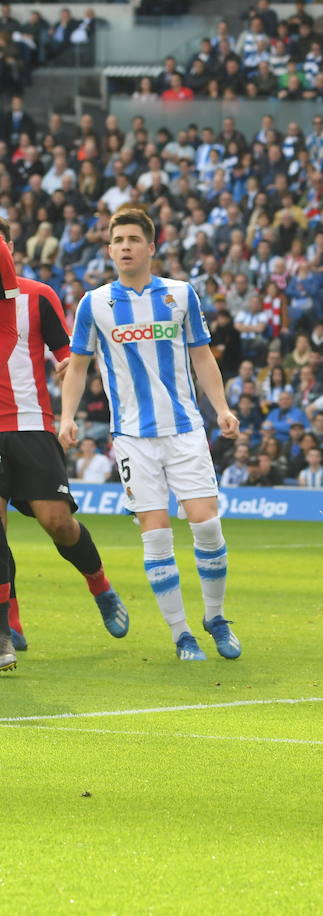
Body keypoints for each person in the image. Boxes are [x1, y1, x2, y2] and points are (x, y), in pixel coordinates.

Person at [57, 206, 242, 662]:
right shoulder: (94, 303)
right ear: (109, 249)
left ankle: (216, 618)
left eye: (133, 240)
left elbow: (202, 356)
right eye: (118, 240)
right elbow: (77, 367)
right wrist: (67, 416)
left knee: (208, 526)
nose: (125, 247)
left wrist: (221, 408)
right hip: (132, 438)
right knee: (156, 537)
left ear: (151, 247)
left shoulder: (180, 294)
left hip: (184, 430)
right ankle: (182, 635)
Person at [0, 218, 130, 660]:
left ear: (12, 247)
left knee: (57, 522)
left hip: (31, 424)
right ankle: (10, 621)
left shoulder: (38, 296)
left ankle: (100, 584)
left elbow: (67, 355)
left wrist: (67, 367)